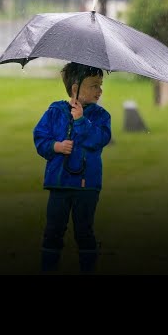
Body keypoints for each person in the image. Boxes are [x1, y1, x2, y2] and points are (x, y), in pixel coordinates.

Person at [33, 62, 112, 273]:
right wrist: (55, 146)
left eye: (100, 85)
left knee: (84, 231)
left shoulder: (101, 117)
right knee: (53, 230)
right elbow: (40, 138)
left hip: (87, 186)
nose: (100, 90)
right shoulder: (55, 111)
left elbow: (98, 139)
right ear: (75, 88)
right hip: (59, 184)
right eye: (94, 85)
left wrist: (80, 121)